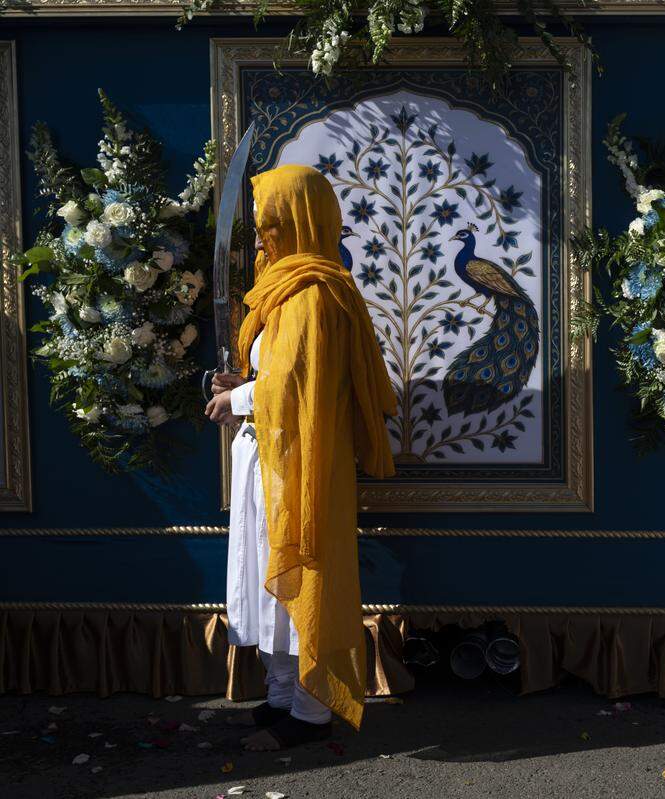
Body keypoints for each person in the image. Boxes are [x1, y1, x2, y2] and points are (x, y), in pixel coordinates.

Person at [205, 164, 397, 750]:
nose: (262, 236)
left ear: (301, 221)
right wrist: (242, 380)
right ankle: (282, 697)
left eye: (272, 223)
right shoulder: (281, 286)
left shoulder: (314, 293)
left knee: (301, 570)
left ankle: (311, 716)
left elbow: (292, 384)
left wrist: (236, 397)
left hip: (301, 463)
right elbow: (274, 370)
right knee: (268, 577)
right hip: (268, 457)